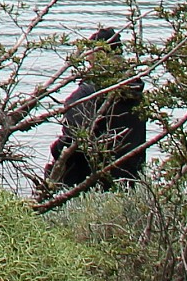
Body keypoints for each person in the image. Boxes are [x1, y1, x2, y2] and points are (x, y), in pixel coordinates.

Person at [42, 27, 147, 198]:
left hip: (91, 182)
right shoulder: (136, 93)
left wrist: (55, 150)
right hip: (130, 179)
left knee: (55, 168)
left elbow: (72, 139)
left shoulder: (88, 94)